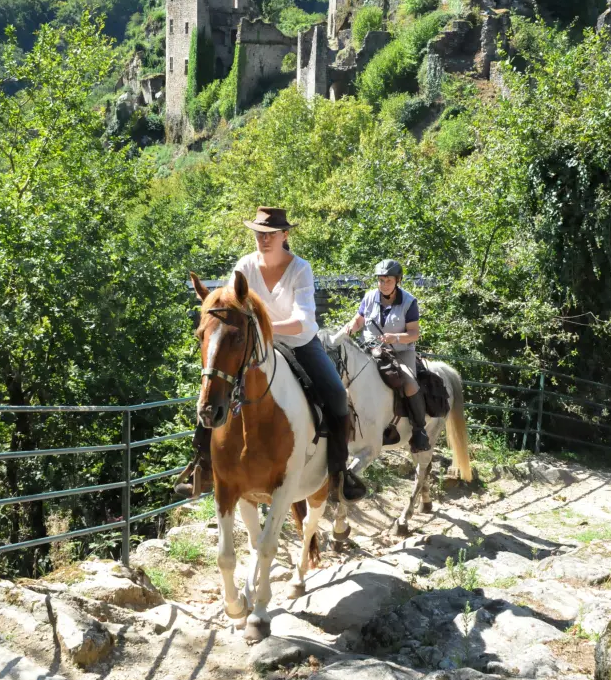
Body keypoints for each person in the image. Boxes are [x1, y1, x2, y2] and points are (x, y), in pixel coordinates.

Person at [176, 207, 366, 504]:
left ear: (284, 235)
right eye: (259, 234)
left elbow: (302, 320)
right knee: (213, 385)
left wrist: (261, 328)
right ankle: (201, 465)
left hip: (300, 343)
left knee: (336, 394)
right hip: (254, 344)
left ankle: (340, 472)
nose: (263, 239)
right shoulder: (245, 265)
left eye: (270, 234)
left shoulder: (301, 268)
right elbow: (229, 305)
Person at [344, 259, 430, 453]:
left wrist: (396, 337)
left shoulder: (409, 302)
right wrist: (350, 327)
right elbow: (359, 320)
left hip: (400, 352)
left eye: (388, 280)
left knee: (409, 383)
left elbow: (414, 334)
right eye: (380, 280)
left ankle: (419, 430)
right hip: (369, 350)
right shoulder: (369, 297)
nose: (383, 284)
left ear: (397, 280)